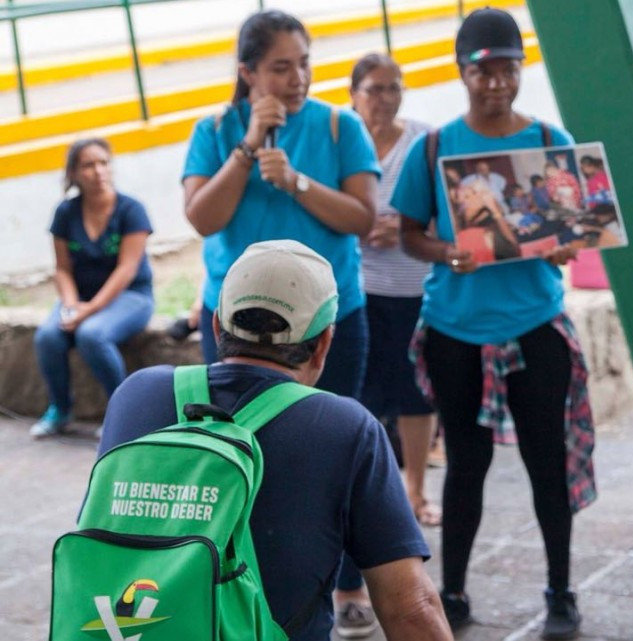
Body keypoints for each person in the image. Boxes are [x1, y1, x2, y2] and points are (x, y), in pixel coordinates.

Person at [96, 240, 452, 641]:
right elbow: (409, 608)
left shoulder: (136, 393)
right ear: (323, 344)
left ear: (216, 326)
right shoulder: (345, 427)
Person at [391, 8, 596, 639]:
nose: (496, 82)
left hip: (536, 324)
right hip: (456, 328)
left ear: (520, 68)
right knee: (466, 464)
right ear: (462, 72)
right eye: (483, 70)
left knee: (546, 461)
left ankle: (561, 590)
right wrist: (446, 254)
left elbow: (579, 228)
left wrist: (567, 245)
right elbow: (409, 235)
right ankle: (451, 591)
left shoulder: (550, 140)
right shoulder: (435, 146)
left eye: (507, 67)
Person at [181, 9, 379, 387]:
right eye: (281, 68)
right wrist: (248, 146)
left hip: (327, 315)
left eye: (304, 64)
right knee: (244, 434)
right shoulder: (215, 131)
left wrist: (295, 182)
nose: (298, 79)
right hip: (238, 317)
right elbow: (203, 220)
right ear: (248, 73)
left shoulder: (341, 126)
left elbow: (363, 220)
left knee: (328, 435)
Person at [349, 52, 441, 532]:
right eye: (374, 89)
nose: (384, 99)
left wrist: (402, 227)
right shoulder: (345, 140)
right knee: (363, 394)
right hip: (360, 290)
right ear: (353, 96)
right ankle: (367, 494)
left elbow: (444, 210)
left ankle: (416, 491)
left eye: (393, 87)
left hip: (412, 288)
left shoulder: (423, 140)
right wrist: (359, 225)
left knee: (415, 394)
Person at [31, 138, 154, 438]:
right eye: (88, 165)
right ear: (74, 173)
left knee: (92, 334)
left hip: (131, 296)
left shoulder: (131, 210)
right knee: (47, 336)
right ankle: (60, 410)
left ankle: (123, 413)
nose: (98, 171)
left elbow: (127, 270)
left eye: (103, 163)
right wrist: (72, 305)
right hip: (82, 297)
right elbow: (62, 269)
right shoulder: (65, 213)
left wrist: (91, 310)